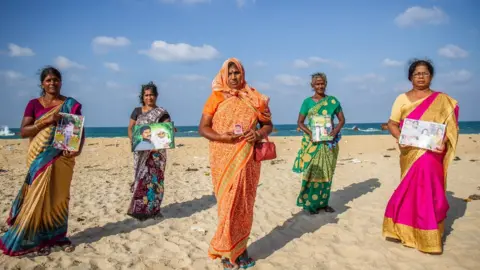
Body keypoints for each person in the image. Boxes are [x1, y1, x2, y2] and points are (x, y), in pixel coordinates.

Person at [0, 66, 84, 256]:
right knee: (34, 195)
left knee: (59, 196)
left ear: (60, 82)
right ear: (42, 84)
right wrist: (47, 121)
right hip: (39, 157)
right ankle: (31, 235)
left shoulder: (71, 104)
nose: (52, 83)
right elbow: (23, 132)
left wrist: (76, 150)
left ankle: (56, 235)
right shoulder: (33, 104)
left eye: (55, 79)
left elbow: (79, 130)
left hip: (63, 158)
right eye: (48, 80)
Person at [198, 58, 273, 269]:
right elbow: (203, 128)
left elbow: (268, 124)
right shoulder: (216, 97)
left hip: (248, 160)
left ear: (242, 74)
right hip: (223, 159)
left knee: (245, 205)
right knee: (227, 205)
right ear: (224, 75)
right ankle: (225, 253)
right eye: (230, 73)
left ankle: (242, 250)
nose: (233, 77)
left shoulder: (254, 97)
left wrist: (258, 133)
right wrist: (223, 137)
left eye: (236, 73)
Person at [383, 59, 459, 254]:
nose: (421, 76)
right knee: (409, 189)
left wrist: (444, 141)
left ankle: (429, 237)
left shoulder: (442, 100)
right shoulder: (402, 99)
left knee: (430, 192)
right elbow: (392, 123)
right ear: (410, 77)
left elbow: (449, 127)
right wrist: (401, 138)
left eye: (425, 73)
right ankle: (402, 230)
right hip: (410, 153)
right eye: (417, 73)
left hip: (432, 155)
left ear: (431, 76)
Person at [292, 72, 346, 214]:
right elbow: (300, 122)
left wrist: (334, 131)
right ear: (312, 86)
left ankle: (323, 203)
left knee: (327, 174)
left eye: (322, 83)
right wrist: (311, 134)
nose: (320, 86)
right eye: (317, 84)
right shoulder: (307, 102)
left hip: (329, 144)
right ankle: (310, 205)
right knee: (312, 173)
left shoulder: (333, 101)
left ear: (325, 84)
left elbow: (342, 120)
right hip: (313, 144)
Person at [127, 82, 171, 221]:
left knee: (155, 181)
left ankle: (154, 209)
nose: (149, 97)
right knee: (141, 179)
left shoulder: (162, 112)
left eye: (151, 95)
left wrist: (170, 131)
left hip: (156, 153)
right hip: (141, 151)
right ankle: (138, 210)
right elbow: (130, 128)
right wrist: (133, 139)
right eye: (146, 95)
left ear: (156, 96)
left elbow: (167, 128)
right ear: (142, 97)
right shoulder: (137, 111)